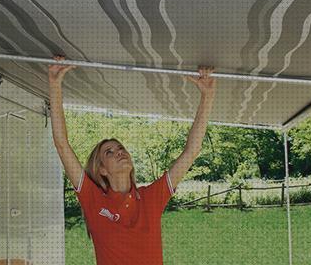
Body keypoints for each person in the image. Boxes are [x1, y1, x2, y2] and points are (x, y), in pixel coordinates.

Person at [48, 56, 216, 265]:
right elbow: (62, 145)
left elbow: (192, 151)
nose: (120, 152)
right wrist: (55, 84)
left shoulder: (151, 198)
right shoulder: (93, 200)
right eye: (109, 152)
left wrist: (207, 96)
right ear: (102, 170)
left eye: (121, 148)